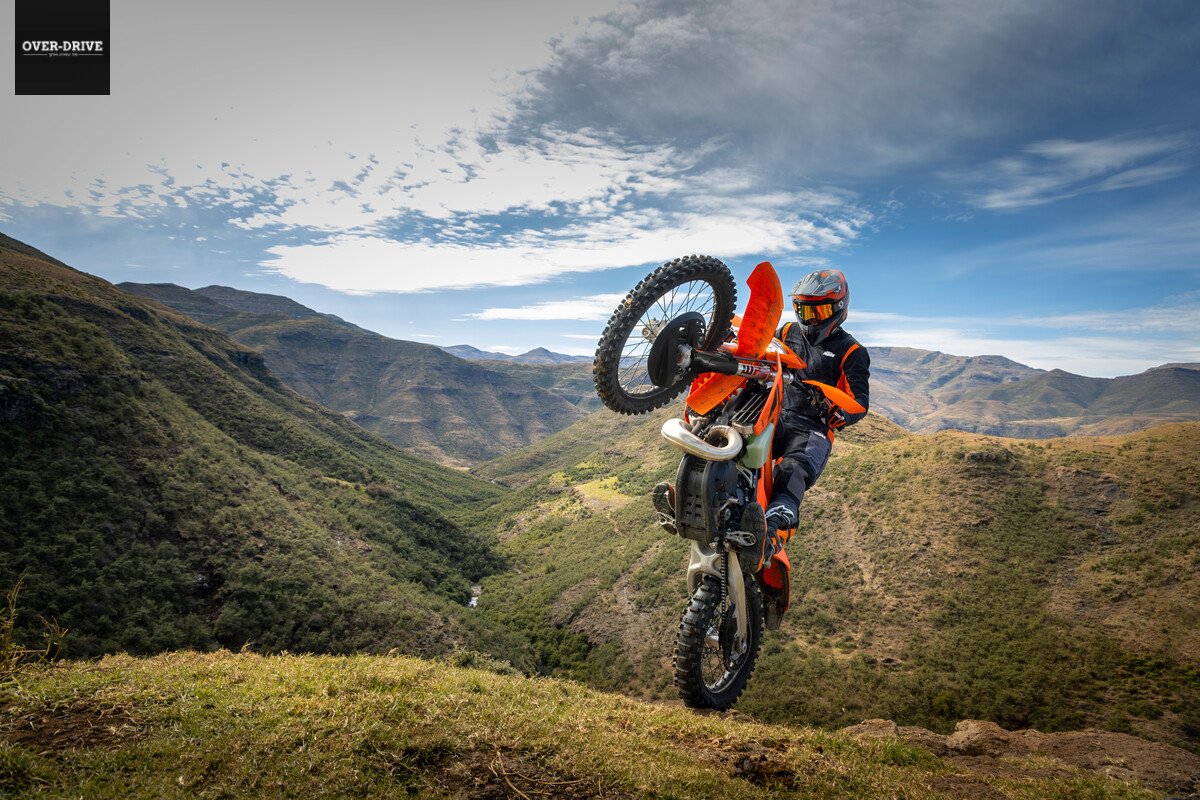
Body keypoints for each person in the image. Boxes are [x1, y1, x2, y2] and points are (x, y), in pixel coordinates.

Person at [750, 268, 870, 571]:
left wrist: (837, 412)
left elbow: (860, 403)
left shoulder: (852, 351)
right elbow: (763, 353)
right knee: (733, 437)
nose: (812, 319)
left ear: (839, 309)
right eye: (805, 310)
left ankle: (771, 536)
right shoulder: (787, 332)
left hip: (813, 429)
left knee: (792, 470)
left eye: (821, 311)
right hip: (775, 414)